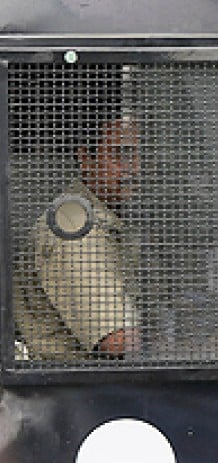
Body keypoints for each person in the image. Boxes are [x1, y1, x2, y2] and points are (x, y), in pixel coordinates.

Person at [16, 113, 142, 360]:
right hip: (71, 389)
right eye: (121, 155)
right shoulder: (75, 226)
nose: (134, 168)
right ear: (86, 159)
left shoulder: (118, 218)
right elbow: (118, 342)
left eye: (138, 155)